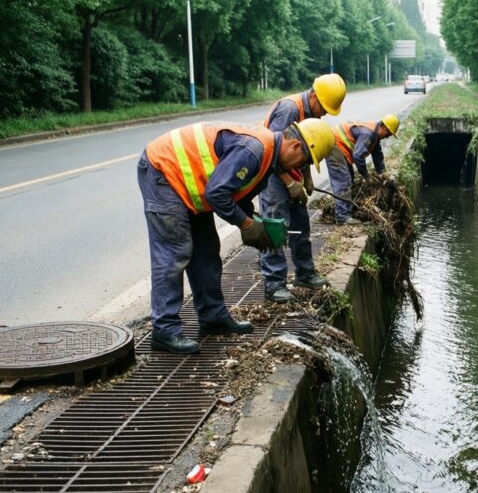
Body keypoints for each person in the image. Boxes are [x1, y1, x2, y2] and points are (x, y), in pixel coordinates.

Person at [138, 118, 334, 354]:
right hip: (163, 173)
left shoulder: (269, 160)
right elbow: (217, 193)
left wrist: (253, 220)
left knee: (207, 251)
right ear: (294, 147)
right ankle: (165, 330)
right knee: (174, 253)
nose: (300, 168)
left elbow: (237, 193)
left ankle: (214, 318)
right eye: (304, 162)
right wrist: (247, 224)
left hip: (190, 186)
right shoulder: (254, 151)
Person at [259, 73, 347, 303]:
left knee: (299, 224)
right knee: (276, 226)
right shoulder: (290, 110)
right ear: (315, 96)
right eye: (325, 107)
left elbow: (304, 149)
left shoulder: (311, 113)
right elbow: (273, 150)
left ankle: (305, 273)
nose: (325, 113)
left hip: (291, 173)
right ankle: (274, 283)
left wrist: (306, 177)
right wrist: (289, 182)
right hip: (272, 173)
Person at [327, 114, 400, 224]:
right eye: (388, 133)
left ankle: (346, 211)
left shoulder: (375, 134)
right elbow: (358, 156)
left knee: (349, 179)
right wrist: (366, 176)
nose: (388, 136)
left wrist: (382, 171)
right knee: (343, 180)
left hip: (339, 147)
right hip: (334, 145)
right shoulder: (369, 133)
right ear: (384, 127)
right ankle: (342, 216)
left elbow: (377, 153)